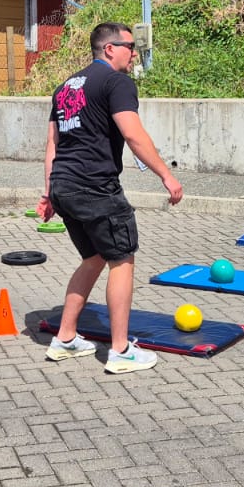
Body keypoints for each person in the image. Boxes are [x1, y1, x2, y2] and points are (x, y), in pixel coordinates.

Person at [38, 22, 183, 375]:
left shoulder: (64, 87)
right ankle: (120, 351)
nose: (134, 54)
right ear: (109, 49)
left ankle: (65, 338)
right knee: (121, 258)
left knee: (93, 258)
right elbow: (133, 134)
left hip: (65, 185)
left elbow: (53, 145)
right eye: (130, 47)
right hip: (95, 186)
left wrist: (49, 191)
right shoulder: (116, 82)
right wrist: (166, 175)